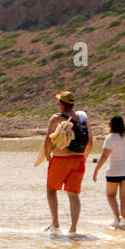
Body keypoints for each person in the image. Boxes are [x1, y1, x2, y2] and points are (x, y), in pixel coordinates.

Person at [39, 91, 91, 234]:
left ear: (62, 104)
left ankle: (55, 224)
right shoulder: (82, 118)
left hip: (61, 159)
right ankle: (73, 229)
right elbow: (90, 141)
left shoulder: (56, 118)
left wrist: (48, 155)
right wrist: (84, 158)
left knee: (51, 190)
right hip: (79, 160)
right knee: (73, 194)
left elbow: (48, 139)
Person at [93, 115, 125, 226]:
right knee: (124, 197)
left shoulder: (110, 138)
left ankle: (117, 218)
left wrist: (96, 170)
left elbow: (105, 156)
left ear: (111, 126)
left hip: (114, 171)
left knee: (111, 195)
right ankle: (123, 220)